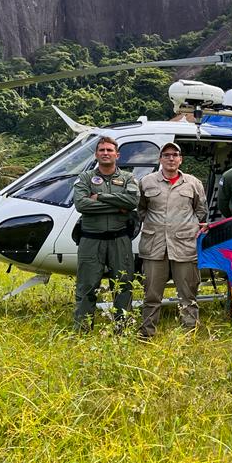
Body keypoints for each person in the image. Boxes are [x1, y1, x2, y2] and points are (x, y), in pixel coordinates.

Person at [136, 142, 207, 339]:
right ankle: (147, 334)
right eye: (166, 155)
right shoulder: (147, 182)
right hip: (154, 246)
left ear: (181, 159)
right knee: (151, 295)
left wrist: (185, 227)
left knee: (188, 295)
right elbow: (141, 209)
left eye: (175, 154)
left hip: (184, 247)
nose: (171, 158)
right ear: (160, 159)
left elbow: (200, 211)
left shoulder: (193, 183)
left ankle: (189, 334)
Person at [72, 136, 139, 333]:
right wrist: (116, 206)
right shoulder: (84, 178)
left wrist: (100, 197)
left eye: (110, 150)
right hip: (91, 240)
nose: (106, 153)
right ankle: (83, 331)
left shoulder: (128, 178)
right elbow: (81, 204)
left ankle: (122, 330)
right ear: (96, 154)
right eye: (102, 150)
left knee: (123, 286)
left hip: (120, 240)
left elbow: (132, 202)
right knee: (86, 287)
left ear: (117, 154)